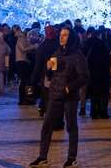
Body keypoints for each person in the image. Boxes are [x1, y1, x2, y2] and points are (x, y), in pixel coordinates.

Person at [30, 28, 88, 168]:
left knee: (71, 126)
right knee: (47, 126)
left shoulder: (77, 55)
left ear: (71, 37)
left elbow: (84, 77)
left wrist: (69, 87)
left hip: (69, 97)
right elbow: (51, 76)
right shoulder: (56, 52)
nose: (61, 38)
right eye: (61, 35)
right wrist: (49, 69)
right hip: (55, 94)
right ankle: (43, 157)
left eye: (65, 35)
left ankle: (71, 158)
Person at [84, 29, 111, 119]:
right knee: (103, 94)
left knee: (93, 93)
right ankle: (103, 112)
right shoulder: (102, 44)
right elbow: (108, 57)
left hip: (91, 71)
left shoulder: (87, 43)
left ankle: (94, 112)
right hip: (103, 72)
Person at [15, 27, 37, 105]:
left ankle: (26, 98)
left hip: (24, 62)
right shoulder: (21, 39)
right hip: (22, 62)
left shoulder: (23, 39)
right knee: (25, 81)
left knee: (25, 81)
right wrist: (33, 47)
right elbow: (23, 49)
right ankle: (24, 99)